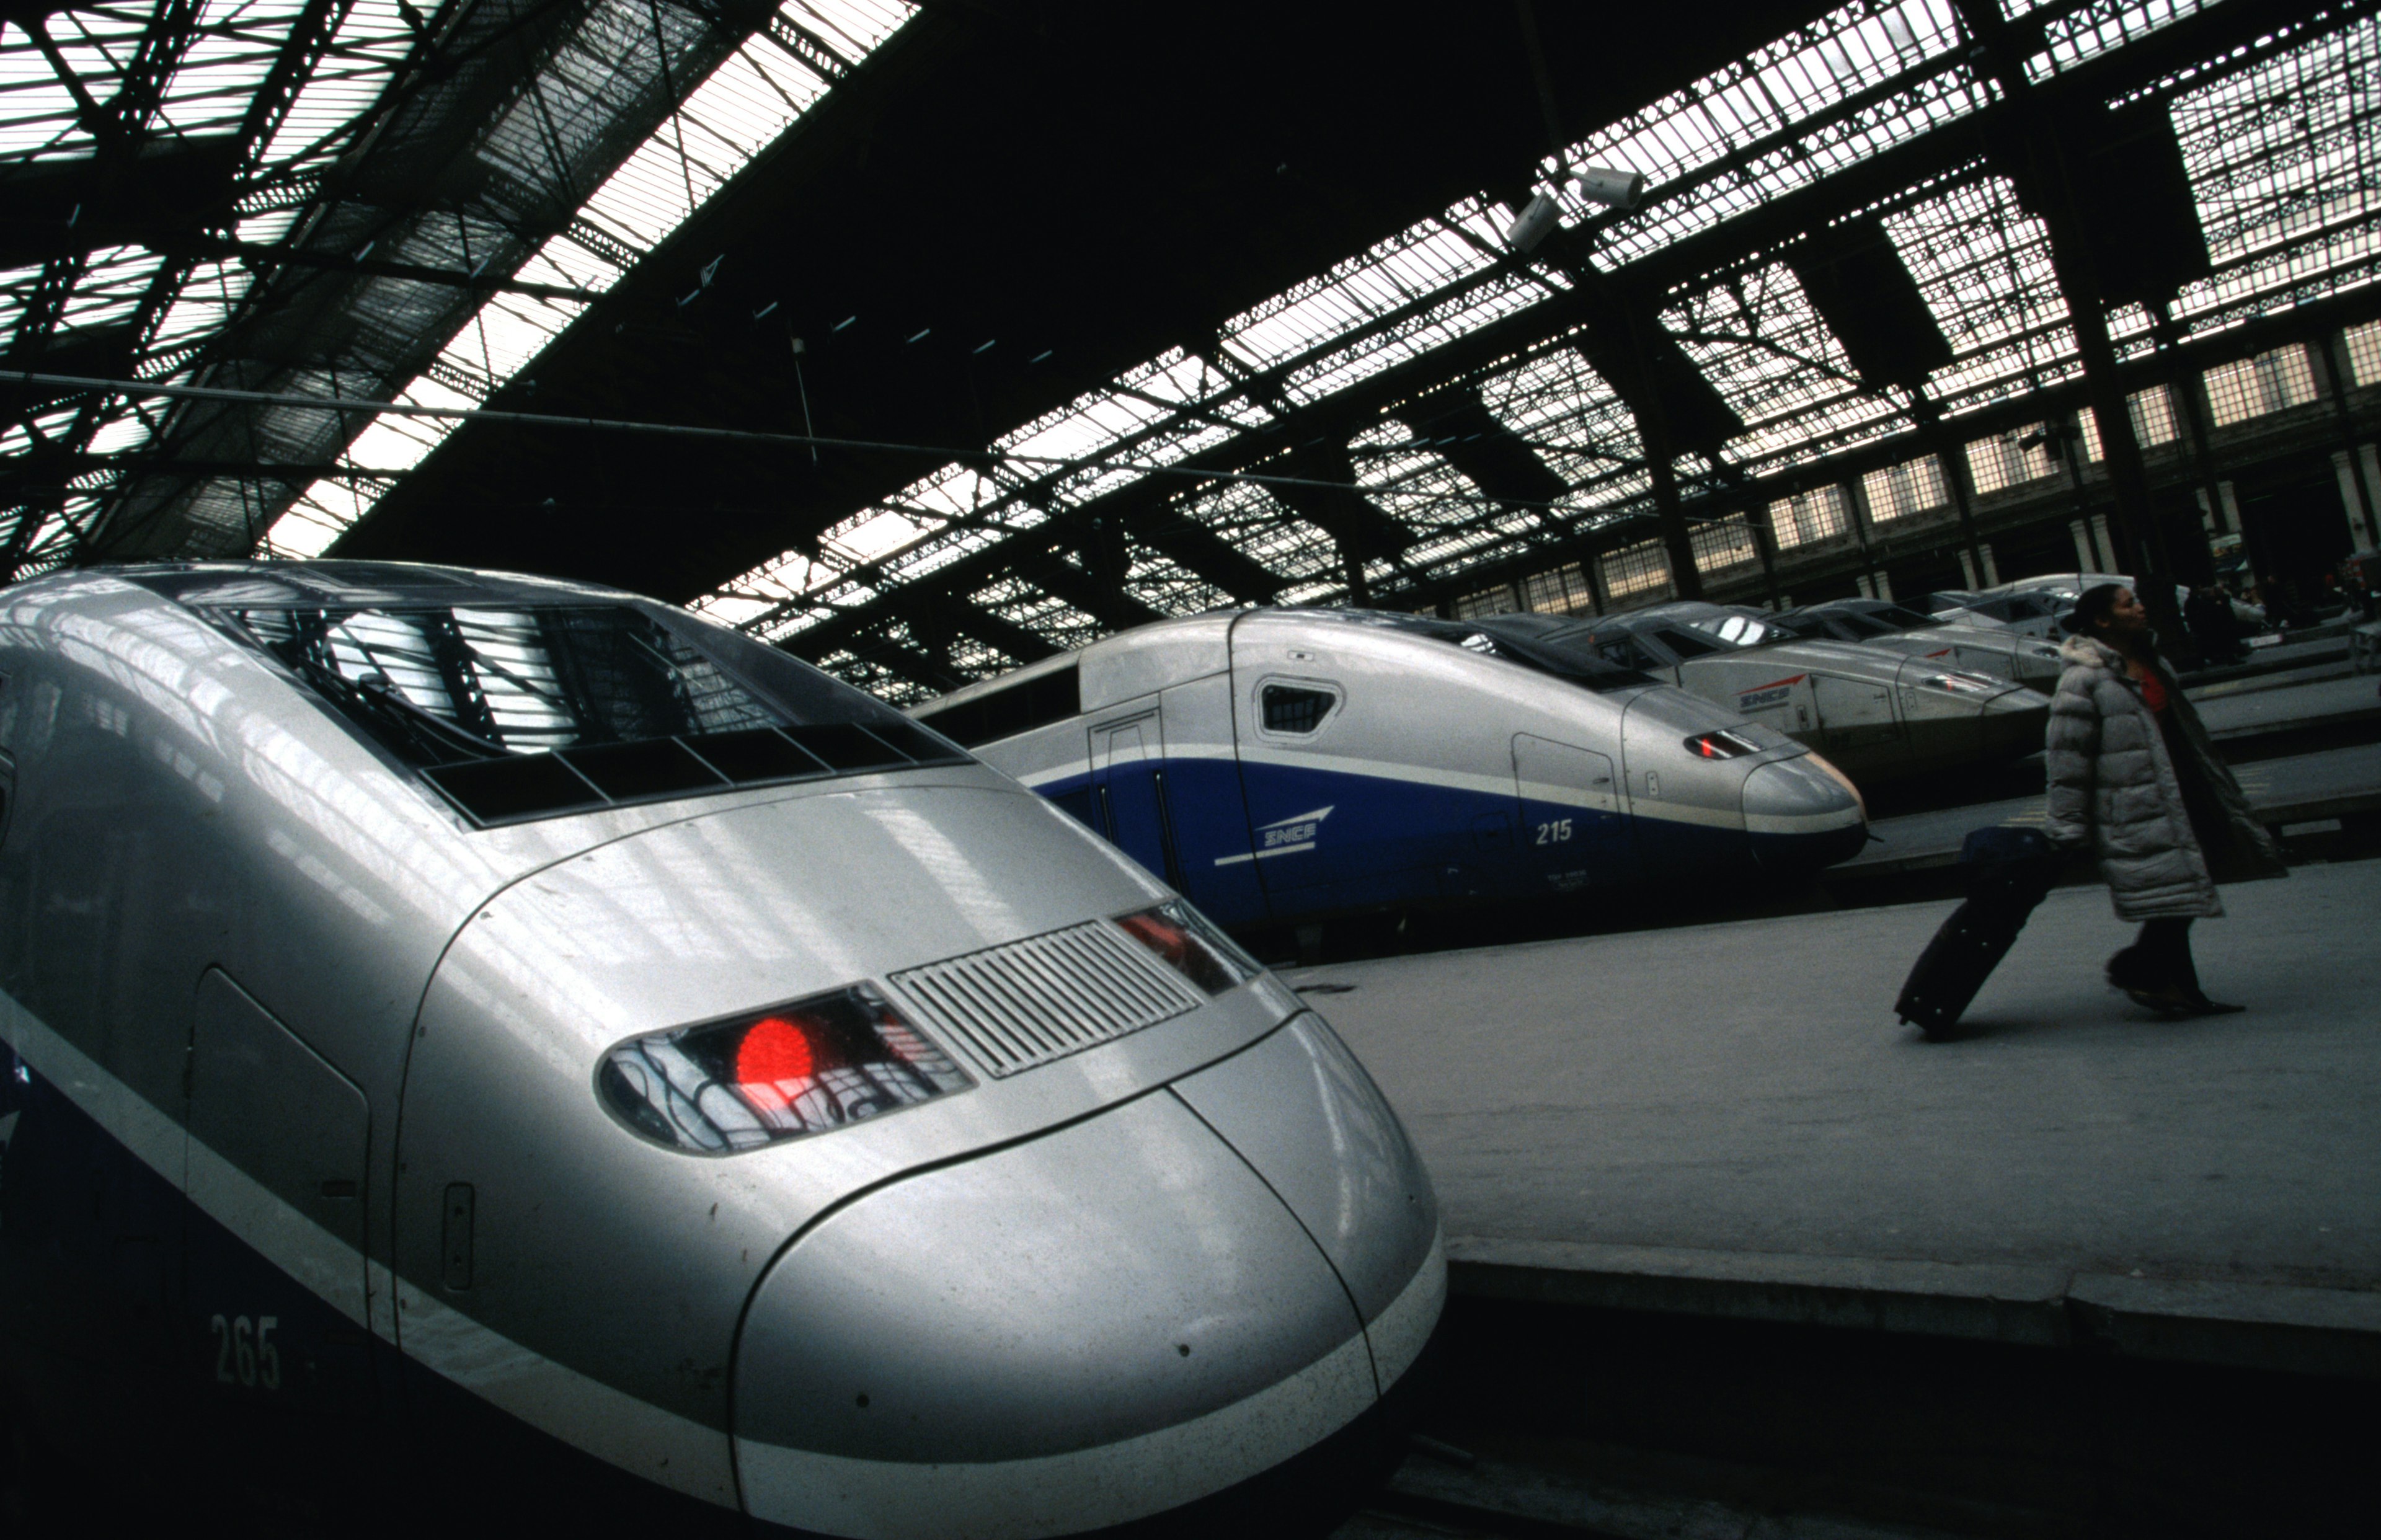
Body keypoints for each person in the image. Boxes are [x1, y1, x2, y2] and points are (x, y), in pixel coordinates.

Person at [2044, 583, 2286, 1016]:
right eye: (2128, 604)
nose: (2140, 608)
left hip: (2179, 794)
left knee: (2184, 894)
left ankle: (2171, 985)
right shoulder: (2083, 679)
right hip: (2135, 808)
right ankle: (2147, 974)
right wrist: (2066, 826)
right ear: (2103, 620)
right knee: (2175, 899)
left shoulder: (2154, 663)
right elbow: (2068, 757)